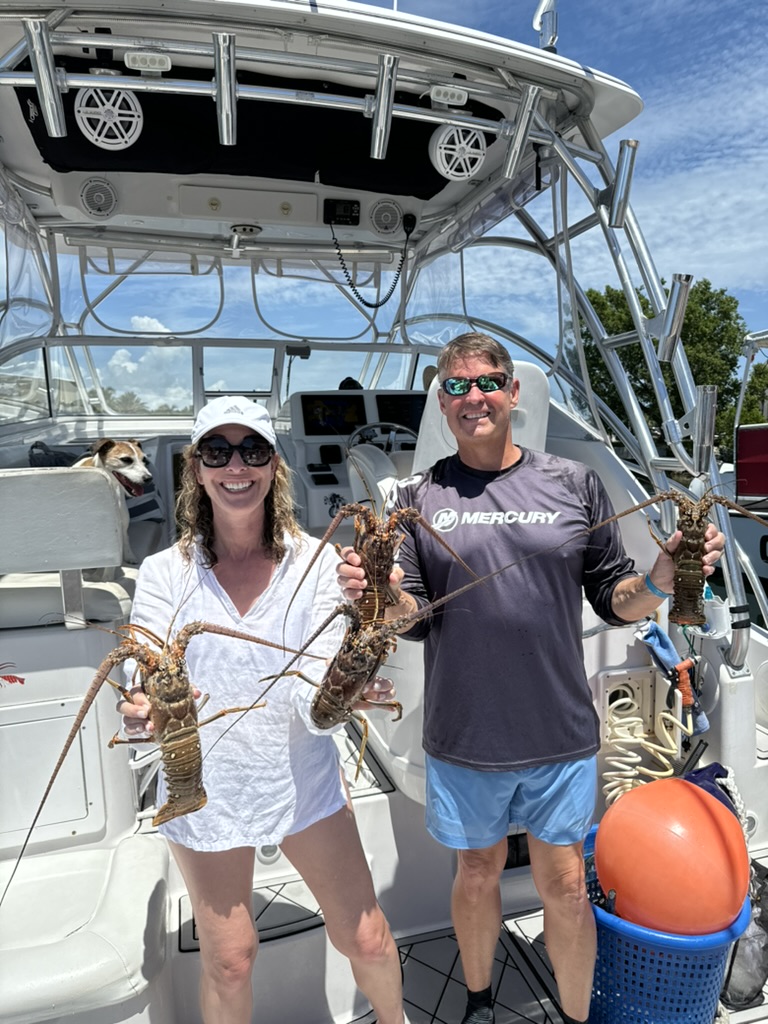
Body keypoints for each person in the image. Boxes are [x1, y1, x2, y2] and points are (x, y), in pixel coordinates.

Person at [337, 333, 725, 1024]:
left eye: (487, 382)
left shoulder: (575, 483)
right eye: (455, 387)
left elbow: (615, 597)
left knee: (569, 884)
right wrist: (377, 593)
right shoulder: (417, 497)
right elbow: (414, 618)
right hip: (464, 735)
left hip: (560, 733)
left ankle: (575, 1017)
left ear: (513, 392)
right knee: (477, 872)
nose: (473, 398)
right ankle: (481, 1002)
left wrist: (662, 580)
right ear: (441, 401)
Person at [118, 395, 406, 1024]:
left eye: (251, 450)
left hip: (301, 776)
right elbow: (142, 669)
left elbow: (315, 686)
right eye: (217, 452)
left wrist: (341, 697)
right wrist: (142, 713)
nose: (235, 466)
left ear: (274, 464)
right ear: (196, 469)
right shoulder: (163, 572)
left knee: (367, 936)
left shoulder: (320, 560)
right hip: (205, 785)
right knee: (230, 957)